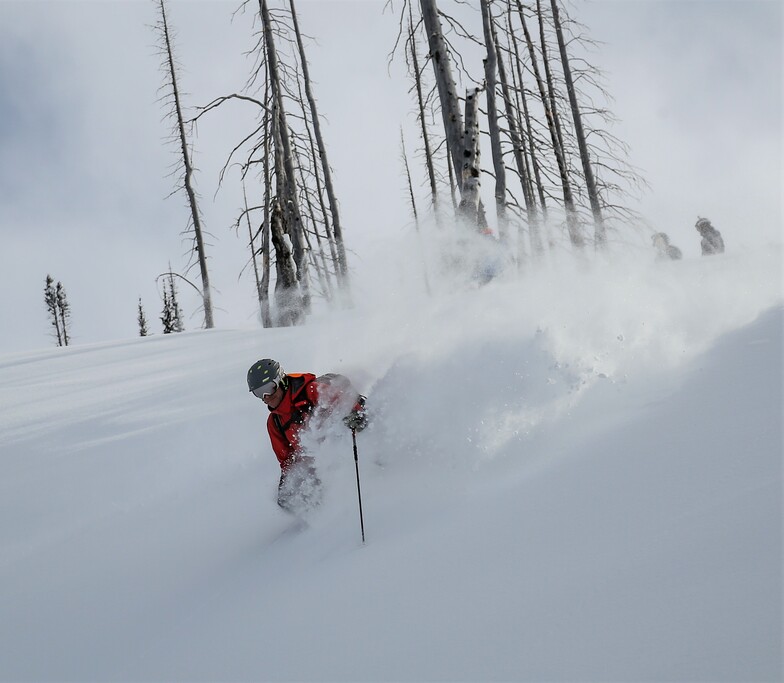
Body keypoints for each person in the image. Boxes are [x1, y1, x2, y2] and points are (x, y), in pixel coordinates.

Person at [247, 358, 367, 511]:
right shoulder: (274, 423)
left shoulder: (311, 391)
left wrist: (354, 414)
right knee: (286, 500)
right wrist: (290, 485)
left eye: (269, 388)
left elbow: (347, 401)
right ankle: (314, 524)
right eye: (259, 393)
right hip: (318, 465)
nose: (266, 397)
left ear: (281, 380)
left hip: (345, 445)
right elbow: (287, 461)